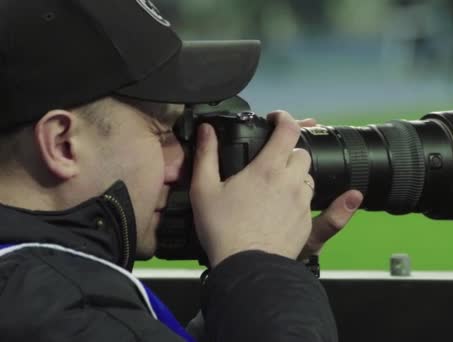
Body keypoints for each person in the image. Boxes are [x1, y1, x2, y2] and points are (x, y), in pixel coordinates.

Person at [0, 0, 364, 341]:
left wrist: (261, 273)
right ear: (63, 143)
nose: (182, 164)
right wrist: (263, 269)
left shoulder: (38, 291)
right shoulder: (54, 309)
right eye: (163, 133)